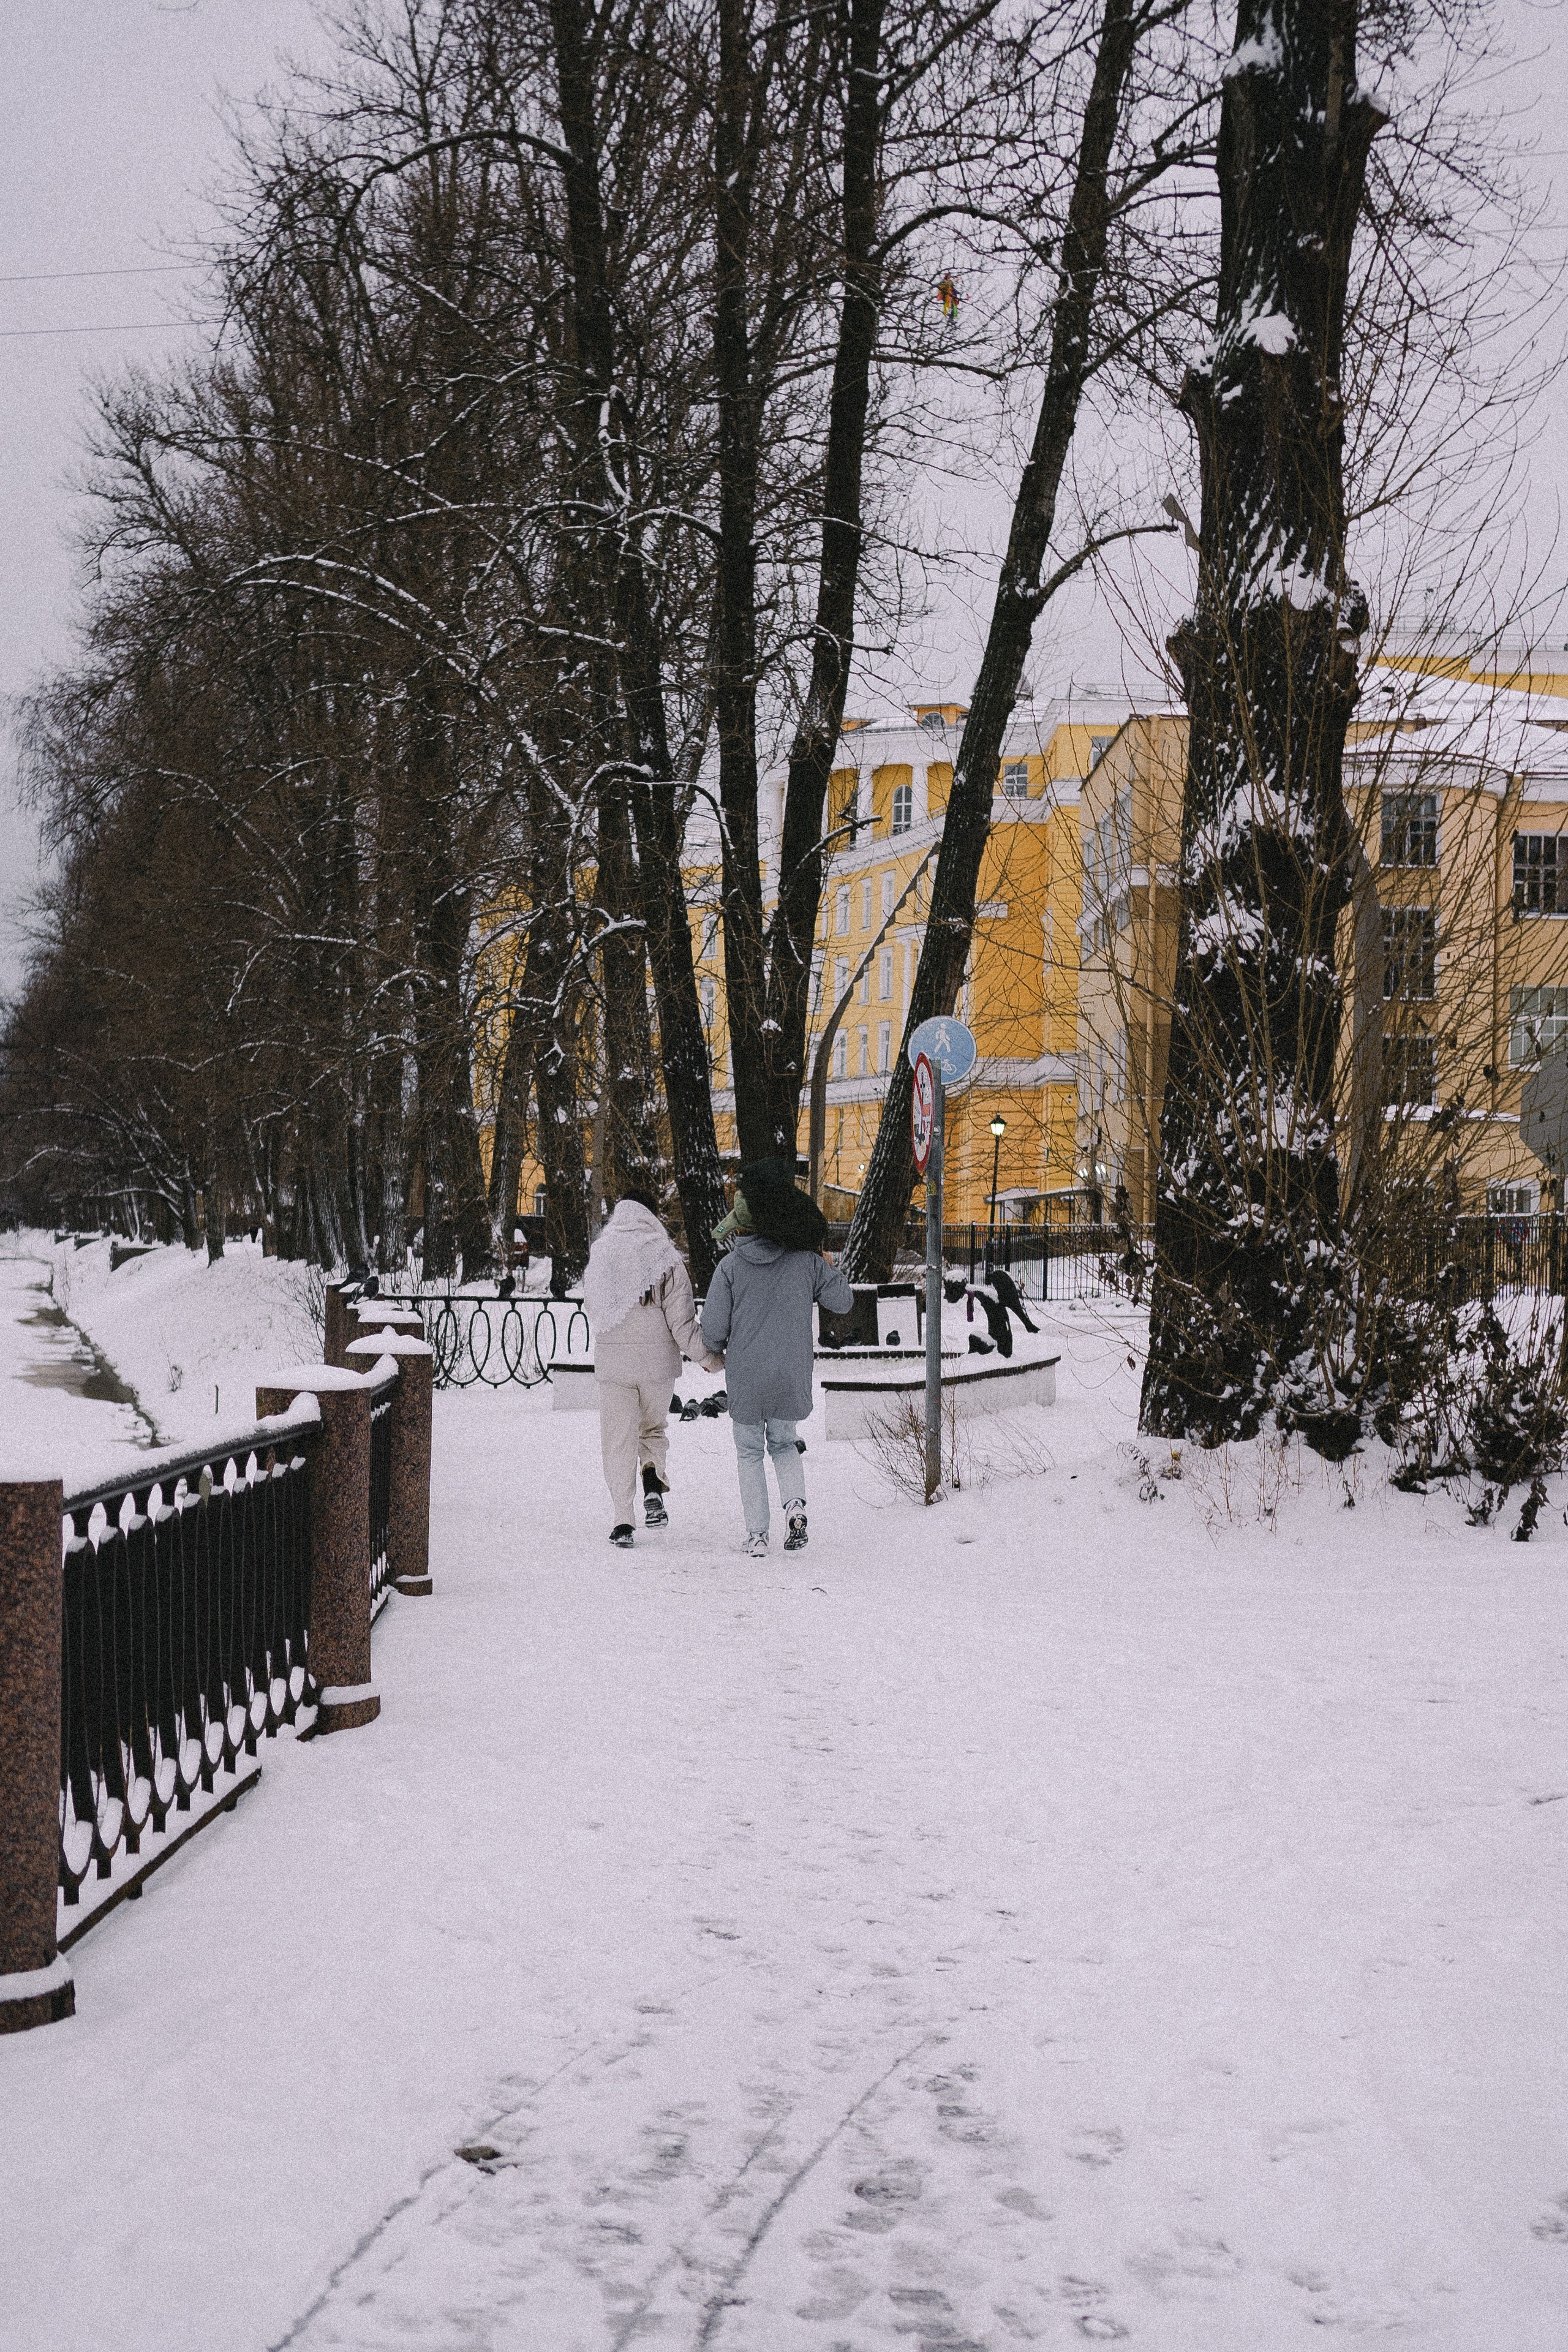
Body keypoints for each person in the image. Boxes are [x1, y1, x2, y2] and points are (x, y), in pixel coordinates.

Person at [700, 1158, 853, 1557]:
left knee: (750, 1452)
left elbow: (713, 1330)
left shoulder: (730, 1267)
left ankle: (756, 1536)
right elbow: (843, 1300)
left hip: (748, 1377)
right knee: (784, 1444)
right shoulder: (806, 1262)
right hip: (790, 1373)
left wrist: (713, 1351)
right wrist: (828, 1266)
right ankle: (796, 1509)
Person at [583, 1182, 719, 1548]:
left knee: (617, 1441)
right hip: (658, 1366)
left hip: (614, 1366)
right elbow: (682, 1322)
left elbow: (594, 1310)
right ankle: (652, 1483)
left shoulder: (601, 1254)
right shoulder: (666, 1257)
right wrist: (708, 1358)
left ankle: (622, 1520)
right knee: (653, 1429)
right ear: (651, 1214)